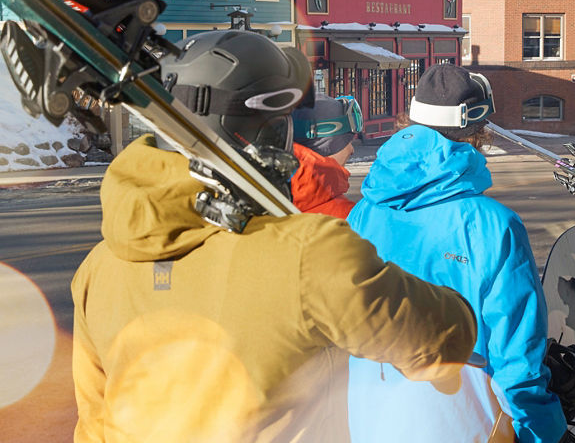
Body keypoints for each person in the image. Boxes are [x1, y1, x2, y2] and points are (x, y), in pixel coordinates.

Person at [70, 30, 477, 443]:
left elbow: (94, 424)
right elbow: (446, 335)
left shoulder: (98, 268)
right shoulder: (309, 253)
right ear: (269, 132)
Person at [346, 64, 566, 443]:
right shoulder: (493, 226)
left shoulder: (363, 212)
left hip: (371, 420)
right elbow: (517, 359)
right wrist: (545, 432)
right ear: (477, 132)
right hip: (462, 424)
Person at [289, 93, 361, 218]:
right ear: (326, 145)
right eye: (346, 140)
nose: (351, 150)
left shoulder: (260, 194)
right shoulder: (348, 219)